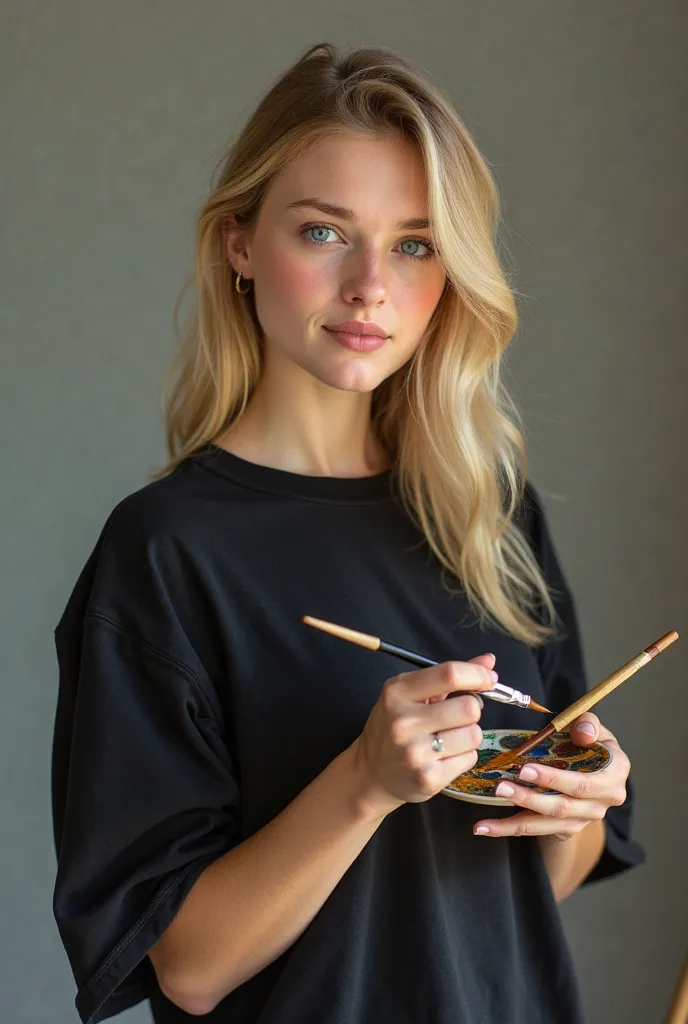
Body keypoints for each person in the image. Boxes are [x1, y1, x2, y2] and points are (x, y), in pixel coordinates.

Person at [51, 42, 644, 1024]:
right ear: (238, 243)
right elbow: (188, 969)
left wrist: (571, 805)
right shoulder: (164, 554)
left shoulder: (489, 514)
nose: (372, 284)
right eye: (325, 232)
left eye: (414, 243)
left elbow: (519, 897)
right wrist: (363, 783)